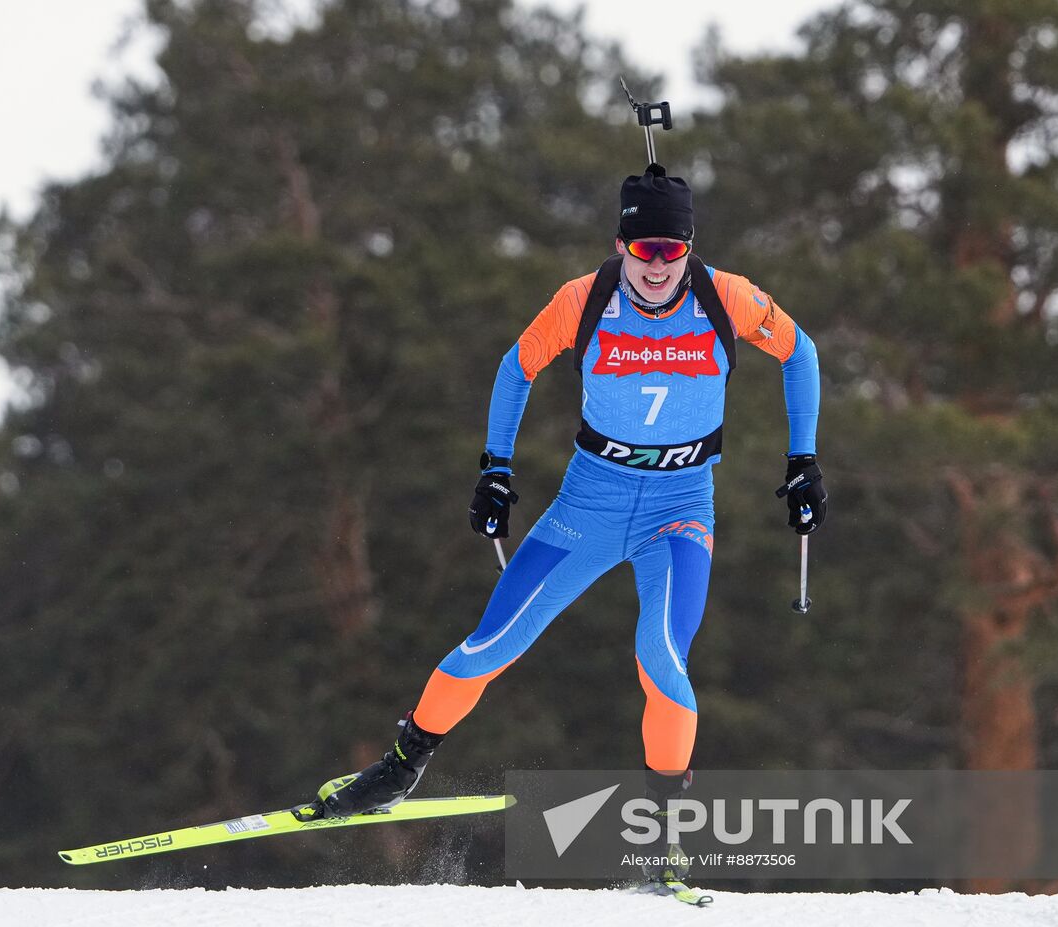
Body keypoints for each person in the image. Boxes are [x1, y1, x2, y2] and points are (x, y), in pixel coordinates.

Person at [301, 164, 826, 858]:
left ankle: (665, 832)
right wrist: (494, 467)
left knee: (662, 657)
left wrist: (803, 461)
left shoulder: (728, 298)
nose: (659, 267)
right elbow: (517, 366)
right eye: (645, 251)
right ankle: (401, 769)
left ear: (690, 248)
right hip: (590, 501)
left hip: (680, 508)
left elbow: (801, 353)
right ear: (620, 247)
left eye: (673, 250)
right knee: (489, 646)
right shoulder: (584, 301)